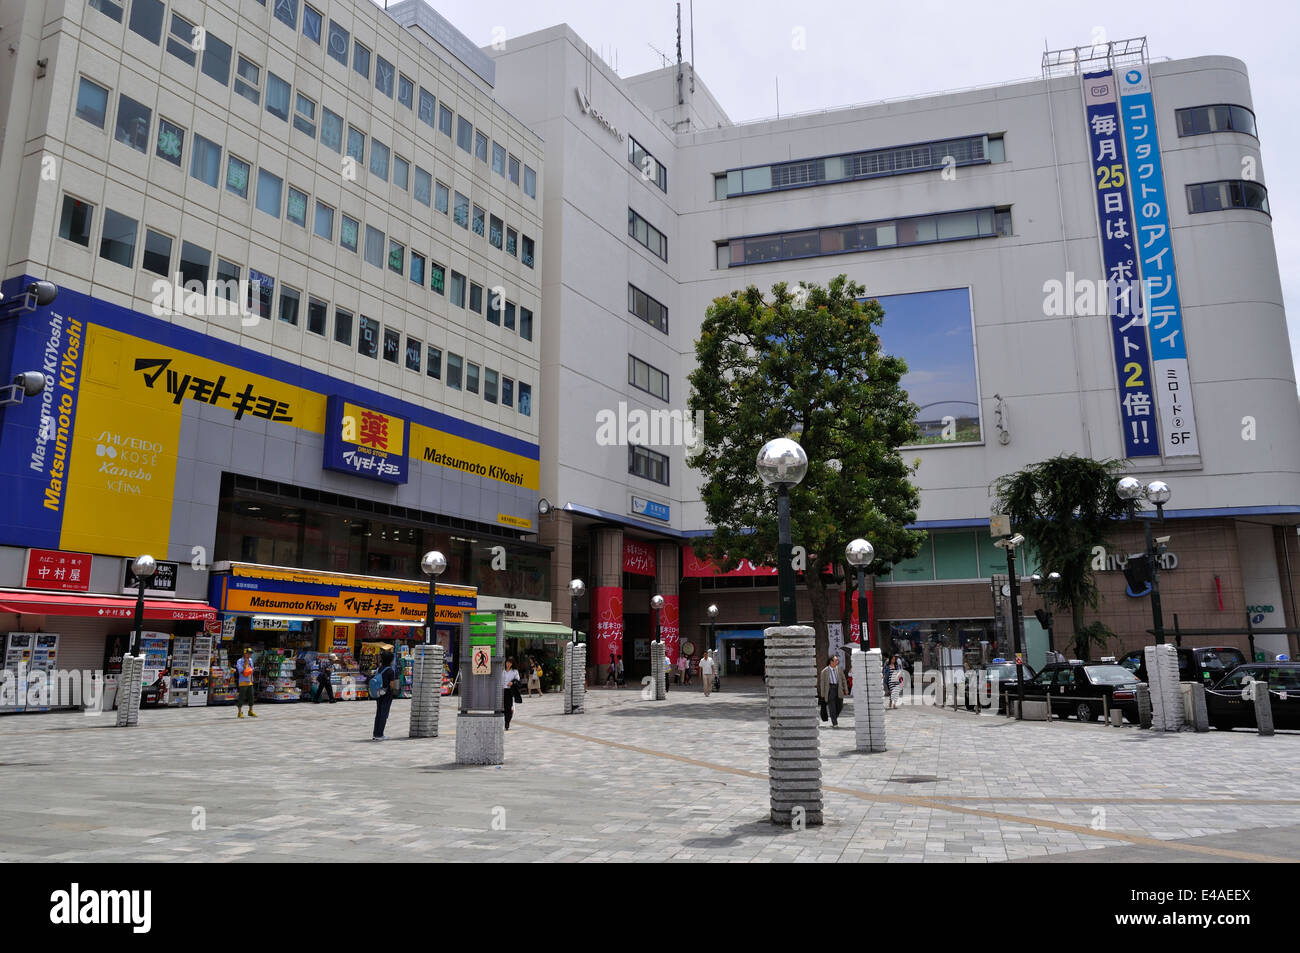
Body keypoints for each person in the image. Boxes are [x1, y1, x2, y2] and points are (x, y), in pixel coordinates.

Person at [371, 650, 398, 740]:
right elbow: (392, 685)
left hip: (379, 693)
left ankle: (376, 733)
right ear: (391, 660)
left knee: (378, 713)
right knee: (384, 714)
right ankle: (380, 735)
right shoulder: (390, 671)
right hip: (387, 694)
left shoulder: (380, 668)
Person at [818, 654, 845, 728]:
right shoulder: (824, 671)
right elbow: (822, 684)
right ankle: (834, 723)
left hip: (838, 689)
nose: (837, 661)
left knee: (840, 705)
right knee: (832, 707)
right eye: (836, 660)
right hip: (830, 690)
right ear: (831, 662)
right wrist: (823, 695)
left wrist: (845, 689)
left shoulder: (839, 669)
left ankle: (834, 717)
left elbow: (843, 680)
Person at [235, 648, 258, 718]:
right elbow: (241, 671)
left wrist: (252, 670)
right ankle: (239, 712)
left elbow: (252, 669)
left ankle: (250, 711)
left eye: (251, 653)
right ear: (245, 653)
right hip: (243, 682)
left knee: (251, 697)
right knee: (241, 697)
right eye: (249, 653)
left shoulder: (250, 660)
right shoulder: (240, 661)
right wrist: (245, 666)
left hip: (250, 681)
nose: (250, 654)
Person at [502, 657, 521, 730]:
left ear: (512, 664)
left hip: (510, 691)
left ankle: (507, 723)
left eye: (510, 662)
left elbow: (518, 681)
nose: (508, 664)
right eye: (507, 662)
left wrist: (512, 683)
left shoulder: (515, 671)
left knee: (508, 707)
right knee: (502, 708)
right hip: (502, 690)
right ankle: (505, 720)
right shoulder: (502, 671)